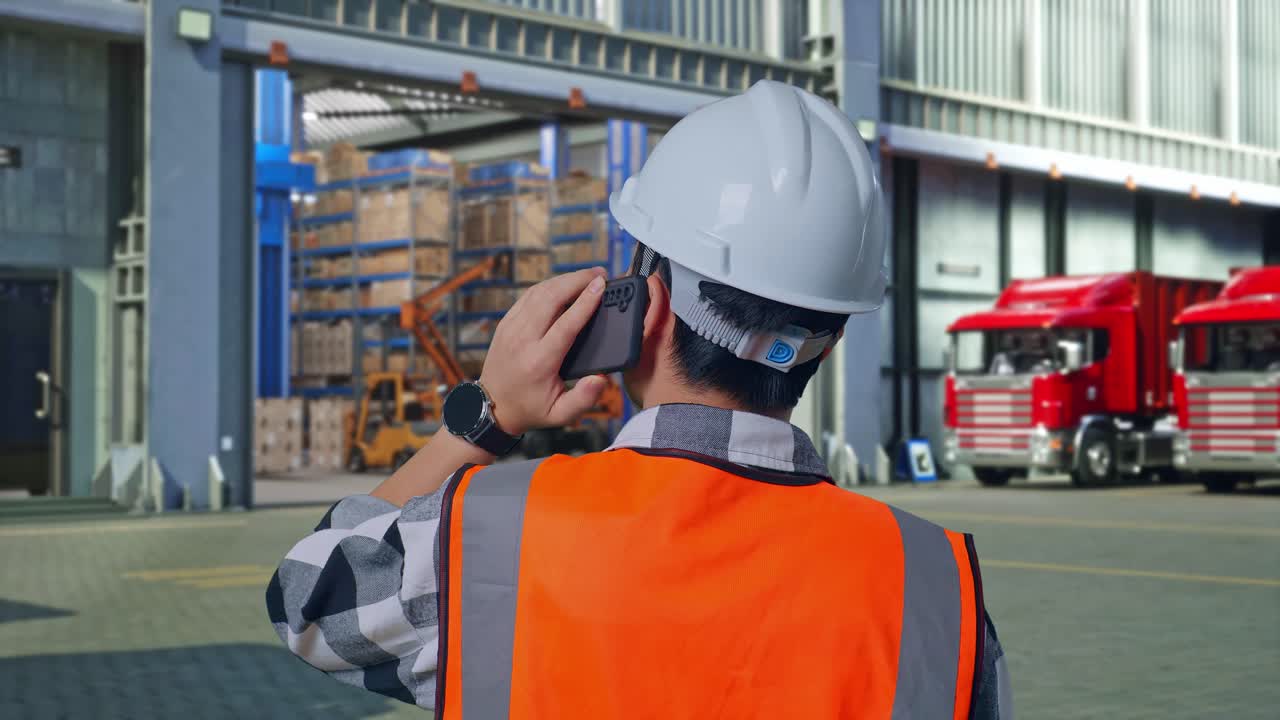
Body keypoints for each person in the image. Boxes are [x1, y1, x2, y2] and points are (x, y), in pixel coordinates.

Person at [266, 80, 1013, 719]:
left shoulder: (495, 535)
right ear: (831, 338)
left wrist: (488, 411)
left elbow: (305, 595)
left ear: (644, 305)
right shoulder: (934, 587)